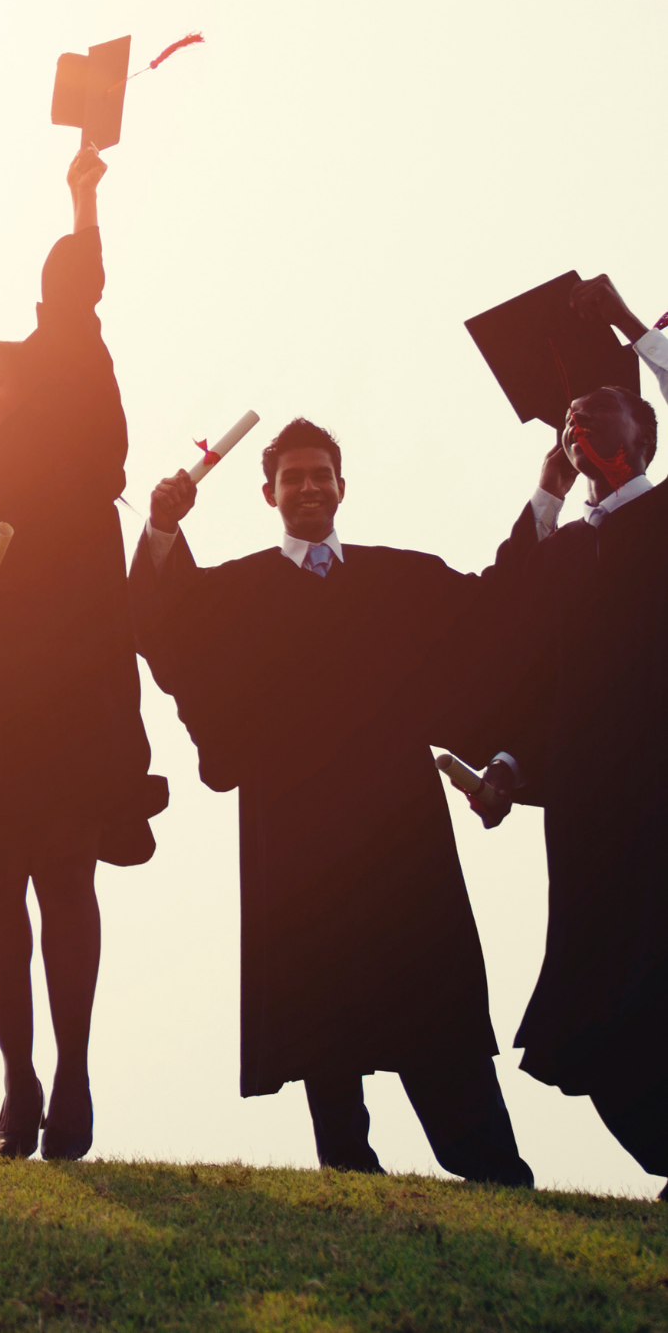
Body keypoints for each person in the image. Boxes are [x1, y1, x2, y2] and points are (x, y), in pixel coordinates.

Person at [131, 418, 532, 1184]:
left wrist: (545, 498)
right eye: (294, 478)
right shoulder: (235, 591)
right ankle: (346, 1163)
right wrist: (161, 527)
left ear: (343, 487)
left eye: (322, 475)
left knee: (431, 982)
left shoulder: (398, 579)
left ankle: (490, 1165)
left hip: (397, 820)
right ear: (269, 494)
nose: (309, 488)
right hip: (296, 820)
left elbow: (493, 610)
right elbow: (160, 622)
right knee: (320, 985)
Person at [0, 145, 163, 1162]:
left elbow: (68, 316)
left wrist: (81, 199)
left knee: (65, 878)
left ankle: (73, 1073)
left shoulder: (75, 459)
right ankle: (16, 1076)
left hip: (72, 698)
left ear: (33, 388)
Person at [449, 274, 668, 1194]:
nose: (579, 422)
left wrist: (630, 329)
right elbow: (514, 639)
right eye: (570, 421)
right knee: (595, 1015)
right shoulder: (566, 553)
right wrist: (508, 764)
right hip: (590, 820)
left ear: (645, 433)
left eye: (602, 409)